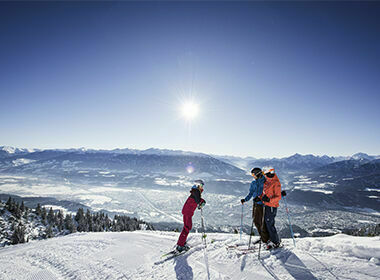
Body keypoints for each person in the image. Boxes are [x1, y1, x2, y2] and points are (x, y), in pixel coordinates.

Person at [240, 167, 269, 244]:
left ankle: (266, 239)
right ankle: (263, 237)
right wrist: (245, 199)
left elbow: (268, 193)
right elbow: (251, 193)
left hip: (263, 205)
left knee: (262, 222)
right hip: (255, 204)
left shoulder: (265, 182)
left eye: (253, 174)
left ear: (257, 174)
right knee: (256, 221)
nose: (253, 176)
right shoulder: (253, 183)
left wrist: (261, 199)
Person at [176, 179, 206, 252]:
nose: (202, 187)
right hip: (188, 212)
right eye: (201, 186)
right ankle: (180, 246)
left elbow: (196, 200)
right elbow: (198, 200)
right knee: (187, 227)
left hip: (186, 211)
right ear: (198, 185)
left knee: (186, 227)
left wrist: (200, 204)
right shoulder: (196, 192)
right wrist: (202, 202)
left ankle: (182, 242)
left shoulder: (195, 192)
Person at [261, 166, 282, 249]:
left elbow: (278, 197)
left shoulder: (276, 183)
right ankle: (269, 239)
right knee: (266, 223)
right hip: (266, 205)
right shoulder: (267, 181)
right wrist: (260, 197)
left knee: (270, 224)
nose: (264, 175)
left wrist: (269, 200)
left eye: (265, 174)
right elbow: (264, 193)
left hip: (272, 206)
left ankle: (276, 242)